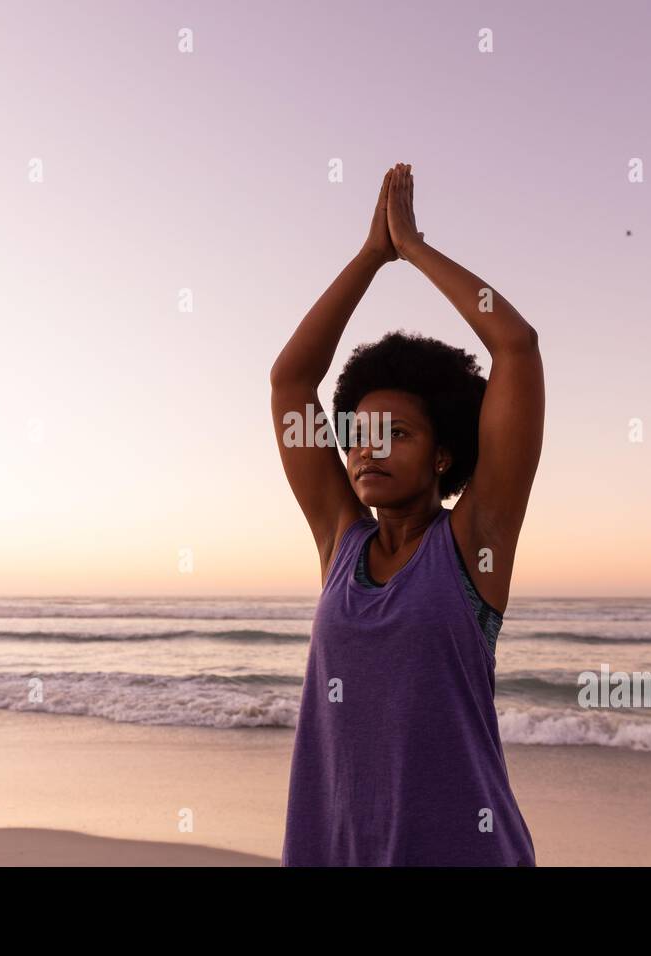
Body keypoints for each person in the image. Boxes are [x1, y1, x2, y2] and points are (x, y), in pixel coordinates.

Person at [270, 163, 544, 865]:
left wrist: (413, 250)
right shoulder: (340, 542)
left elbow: (516, 347)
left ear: (444, 454)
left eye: (398, 434)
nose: (369, 450)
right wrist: (369, 257)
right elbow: (292, 380)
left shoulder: (473, 544)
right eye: (359, 434)